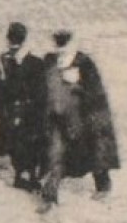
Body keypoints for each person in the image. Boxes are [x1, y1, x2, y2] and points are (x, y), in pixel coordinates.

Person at [40, 30, 121, 210]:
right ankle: (50, 198)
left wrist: (78, 85)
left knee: (94, 151)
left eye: (63, 44)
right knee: (55, 154)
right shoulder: (49, 61)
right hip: (57, 119)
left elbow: (95, 94)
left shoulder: (84, 63)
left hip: (82, 120)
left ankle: (103, 186)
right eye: (57, 44)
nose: (60, 50)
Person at [0, 22, 47, 191]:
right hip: (19, 112)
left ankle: (27, 174)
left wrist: (3, 113)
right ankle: (24, 174)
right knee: (20, 142)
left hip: (25, 112)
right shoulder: (5, 63)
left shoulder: (29, 63)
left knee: (25, 142)